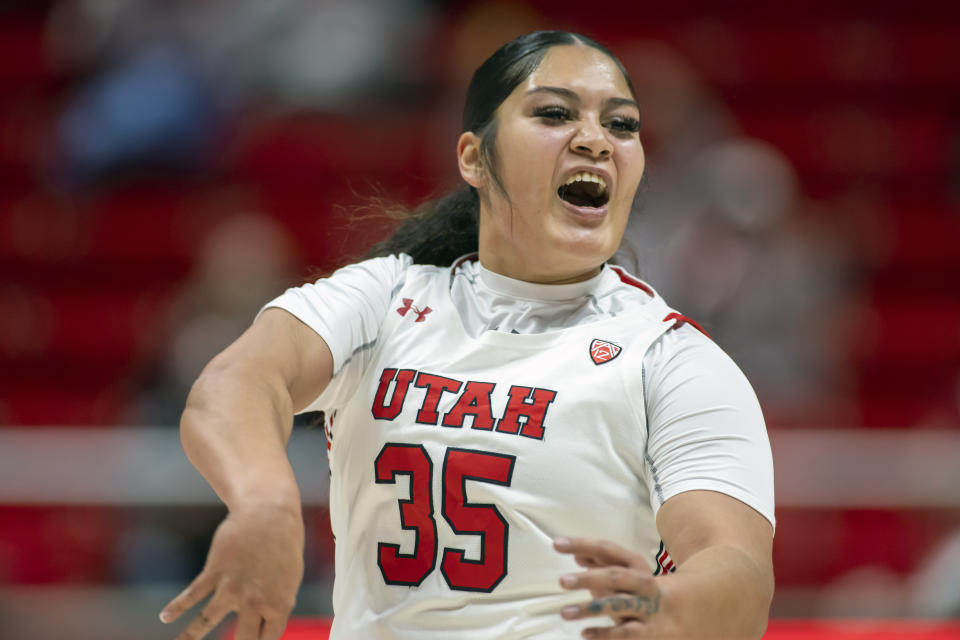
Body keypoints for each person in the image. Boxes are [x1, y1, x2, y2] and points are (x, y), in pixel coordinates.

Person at [159, 31, 775, 640]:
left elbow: (738, 570)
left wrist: (667, 609)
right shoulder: (385, 299)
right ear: (475, 158)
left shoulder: (671, 358)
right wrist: (265, 505)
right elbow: (237, 380)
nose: (595, 140)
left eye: (622, 125)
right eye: (556, 114)